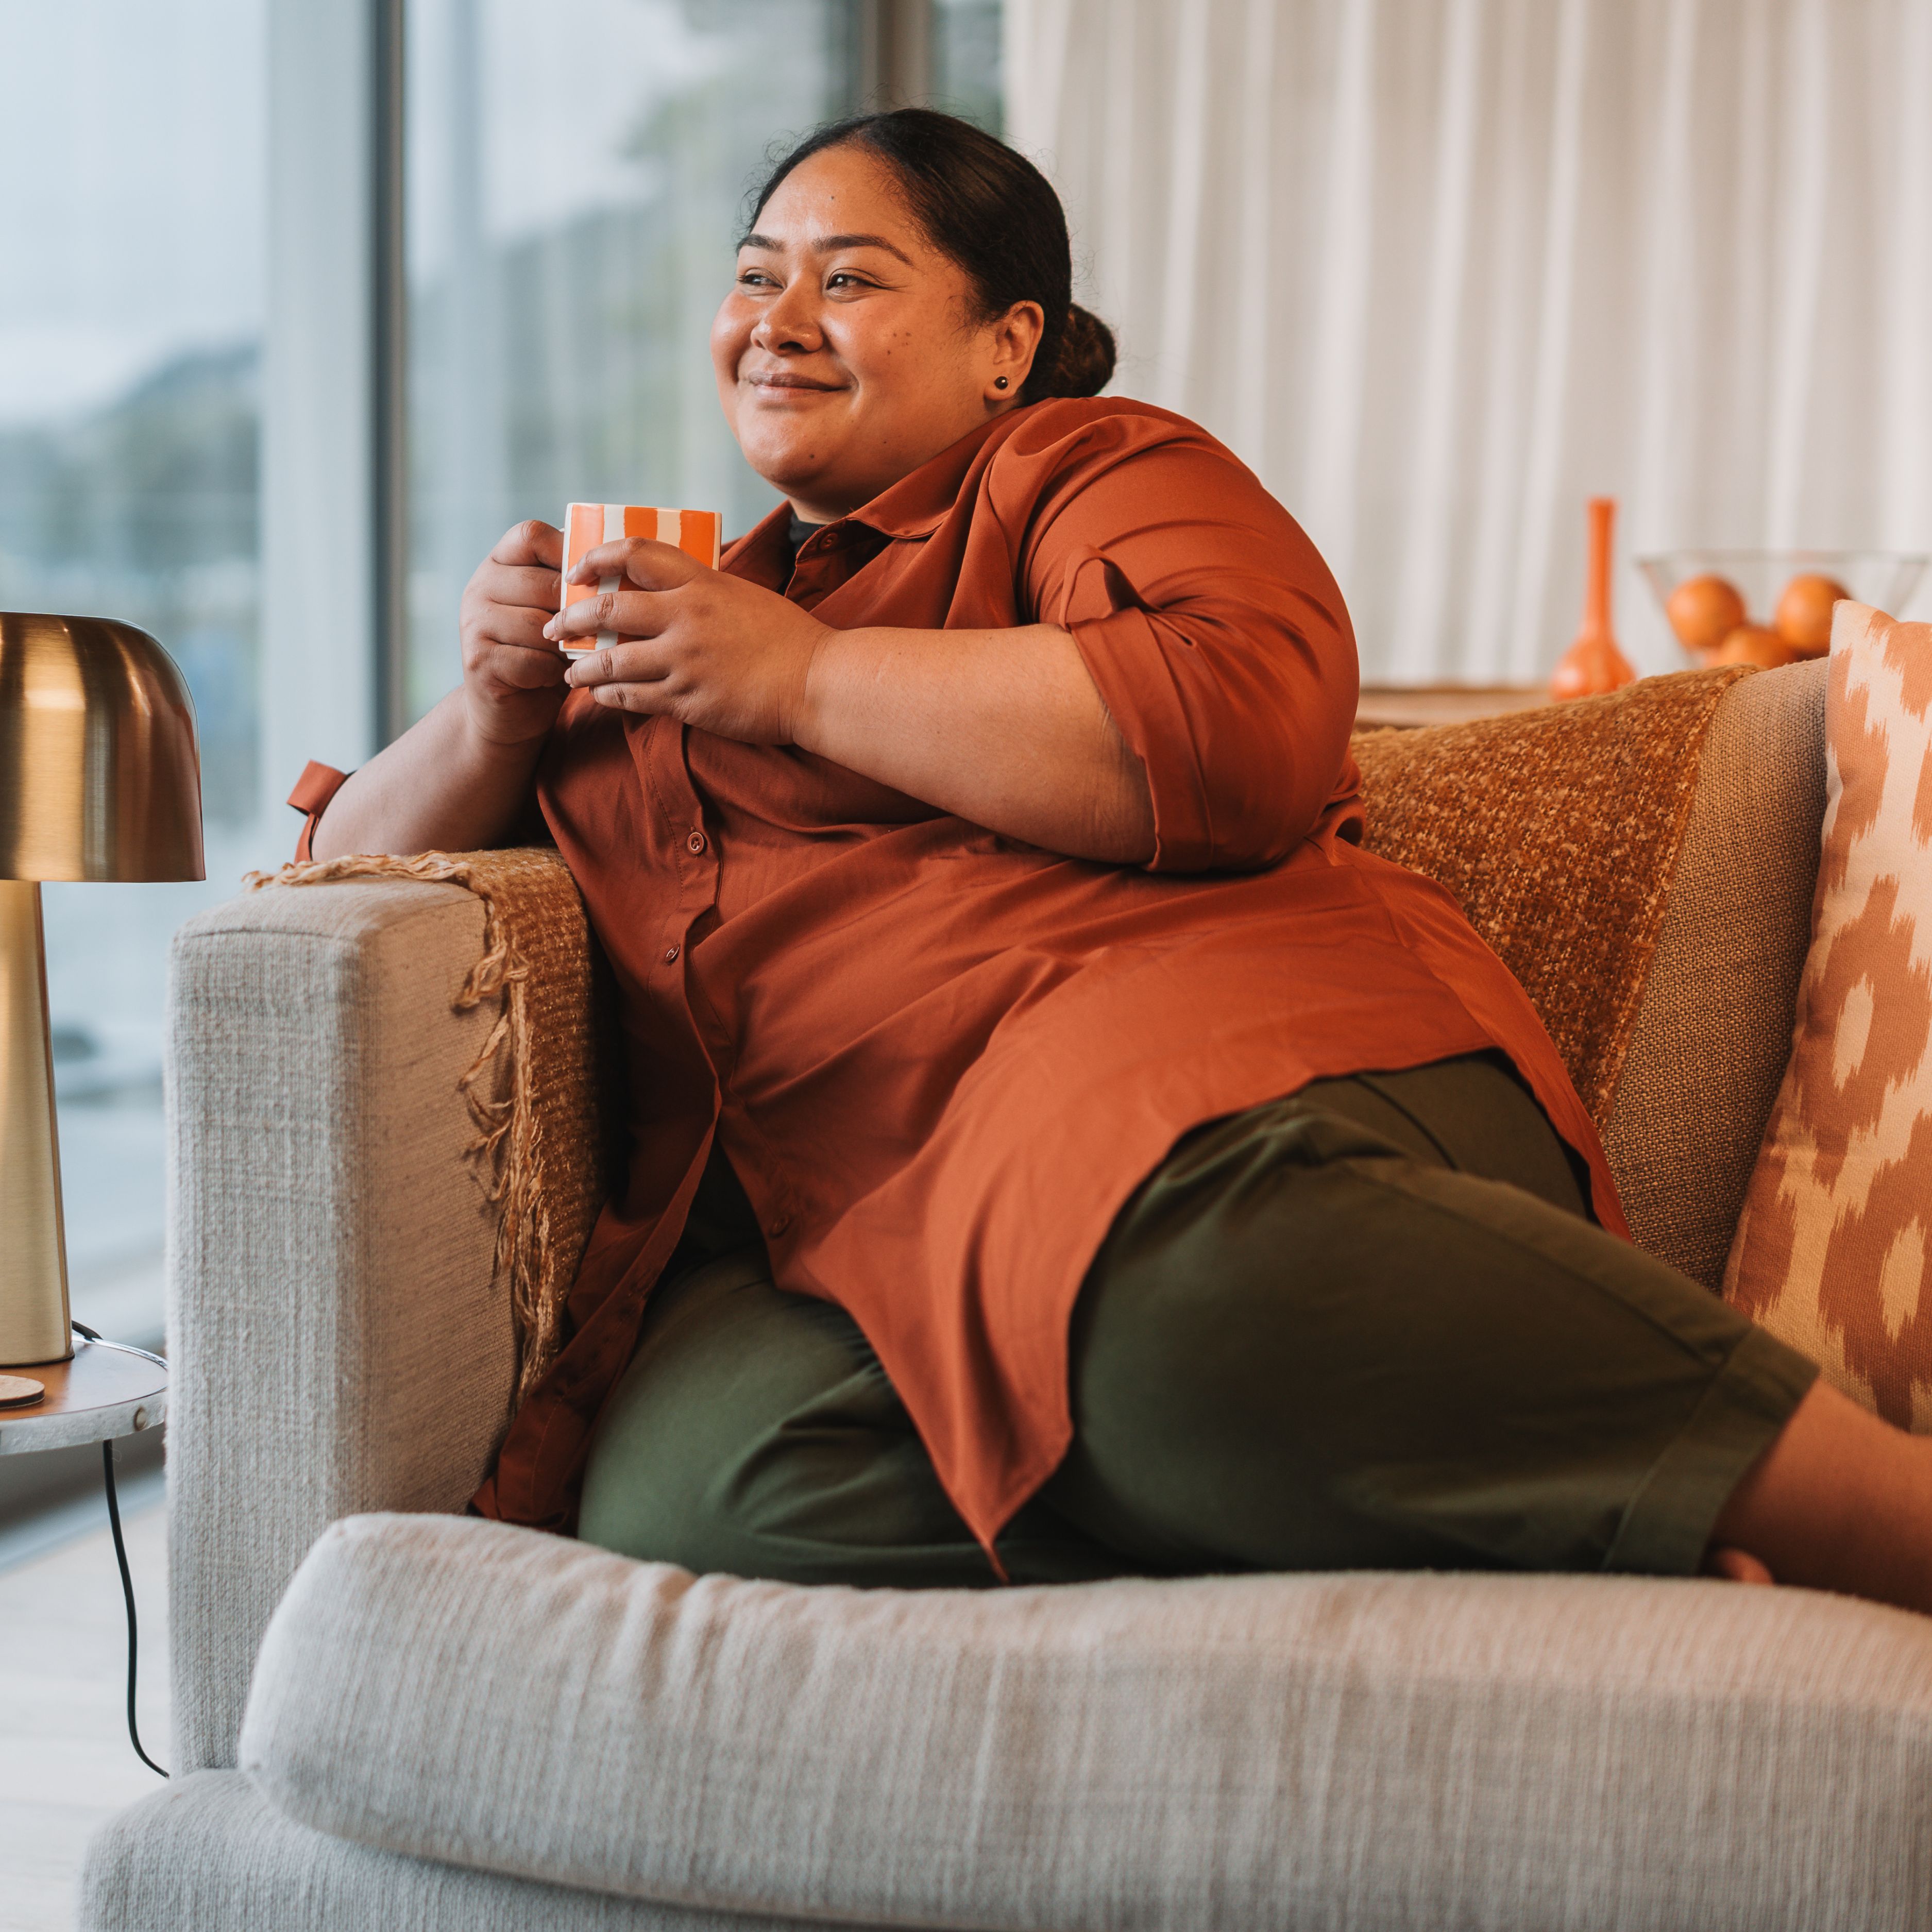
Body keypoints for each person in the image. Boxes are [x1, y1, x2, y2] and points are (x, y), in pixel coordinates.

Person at [297, 108, 1932, 1613]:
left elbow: (1243, 720)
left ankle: (1880, 1517)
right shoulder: (668, 621)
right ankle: (1541, 1507)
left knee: (1166, 1301)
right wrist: (493, 712)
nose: (776, 322)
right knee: (704, 1504)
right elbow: (335, 884)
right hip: (854, 1207)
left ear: (1009, 345)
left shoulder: (1085, 470)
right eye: (752, 280)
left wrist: (796, 676)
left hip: (1222, 1083)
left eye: (849, 279)